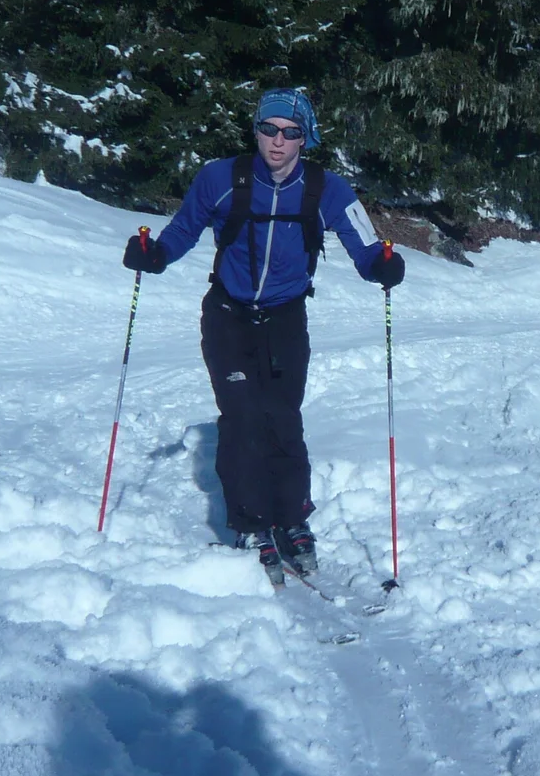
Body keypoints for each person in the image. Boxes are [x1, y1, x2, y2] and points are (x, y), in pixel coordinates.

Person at [121, 87, 405, 580]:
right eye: (269, 129)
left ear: (305, 139)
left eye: (290, 132)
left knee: (281, 414)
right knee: (242, 413)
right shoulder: (220, 178)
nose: (278, 141)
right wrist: (156, 255)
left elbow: (364, 244)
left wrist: (381, 265)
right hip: (227, 314)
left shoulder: (326, 188)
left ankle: (292, 518)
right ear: (255, 130)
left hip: (286, 318)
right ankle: (251, 522)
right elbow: (183, 230)